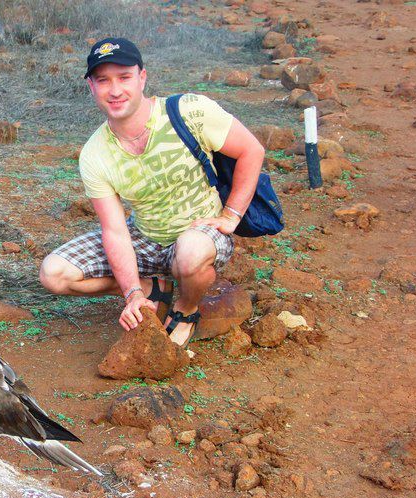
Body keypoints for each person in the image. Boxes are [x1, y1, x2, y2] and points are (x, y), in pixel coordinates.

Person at [39, 37, 265, 348]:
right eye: (103, 80)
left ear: (142, 77)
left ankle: (186, 308)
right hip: (144, 236)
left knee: (191, 253)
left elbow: (251, 150)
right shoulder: (94, 154)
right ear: (91, 87)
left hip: (200, 231)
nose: (115, 90)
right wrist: (131, 290)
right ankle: (150, 287)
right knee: (54, 273)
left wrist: (232, 214)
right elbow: (115, 231)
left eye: (124, 77)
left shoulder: (188, 111)